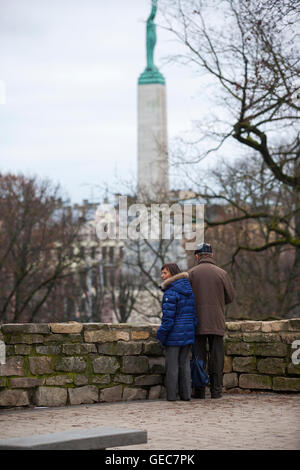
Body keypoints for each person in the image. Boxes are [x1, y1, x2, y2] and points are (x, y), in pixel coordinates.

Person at [188, 243, 235, 399]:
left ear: (197, 256)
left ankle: (199, 390)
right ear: (212, 255)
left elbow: (186, 299)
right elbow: (230, 297)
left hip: (197, 322)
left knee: (198, 357)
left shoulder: (191, 274)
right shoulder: (222, 273)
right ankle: (216, 391)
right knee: (217, 356)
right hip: (216, 320)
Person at [156, 263, 198, 401]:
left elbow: (168, 320)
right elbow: (193, 315)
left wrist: (160, 336)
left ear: (172, 274)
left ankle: (172, 396)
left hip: (174, 335)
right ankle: (186, 395)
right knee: (185, 365)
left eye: (165, 273)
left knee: (172, 367)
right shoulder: (189, 289)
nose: (162, 276)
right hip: (188, 333)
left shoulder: (170, 293)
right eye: (161, 273)